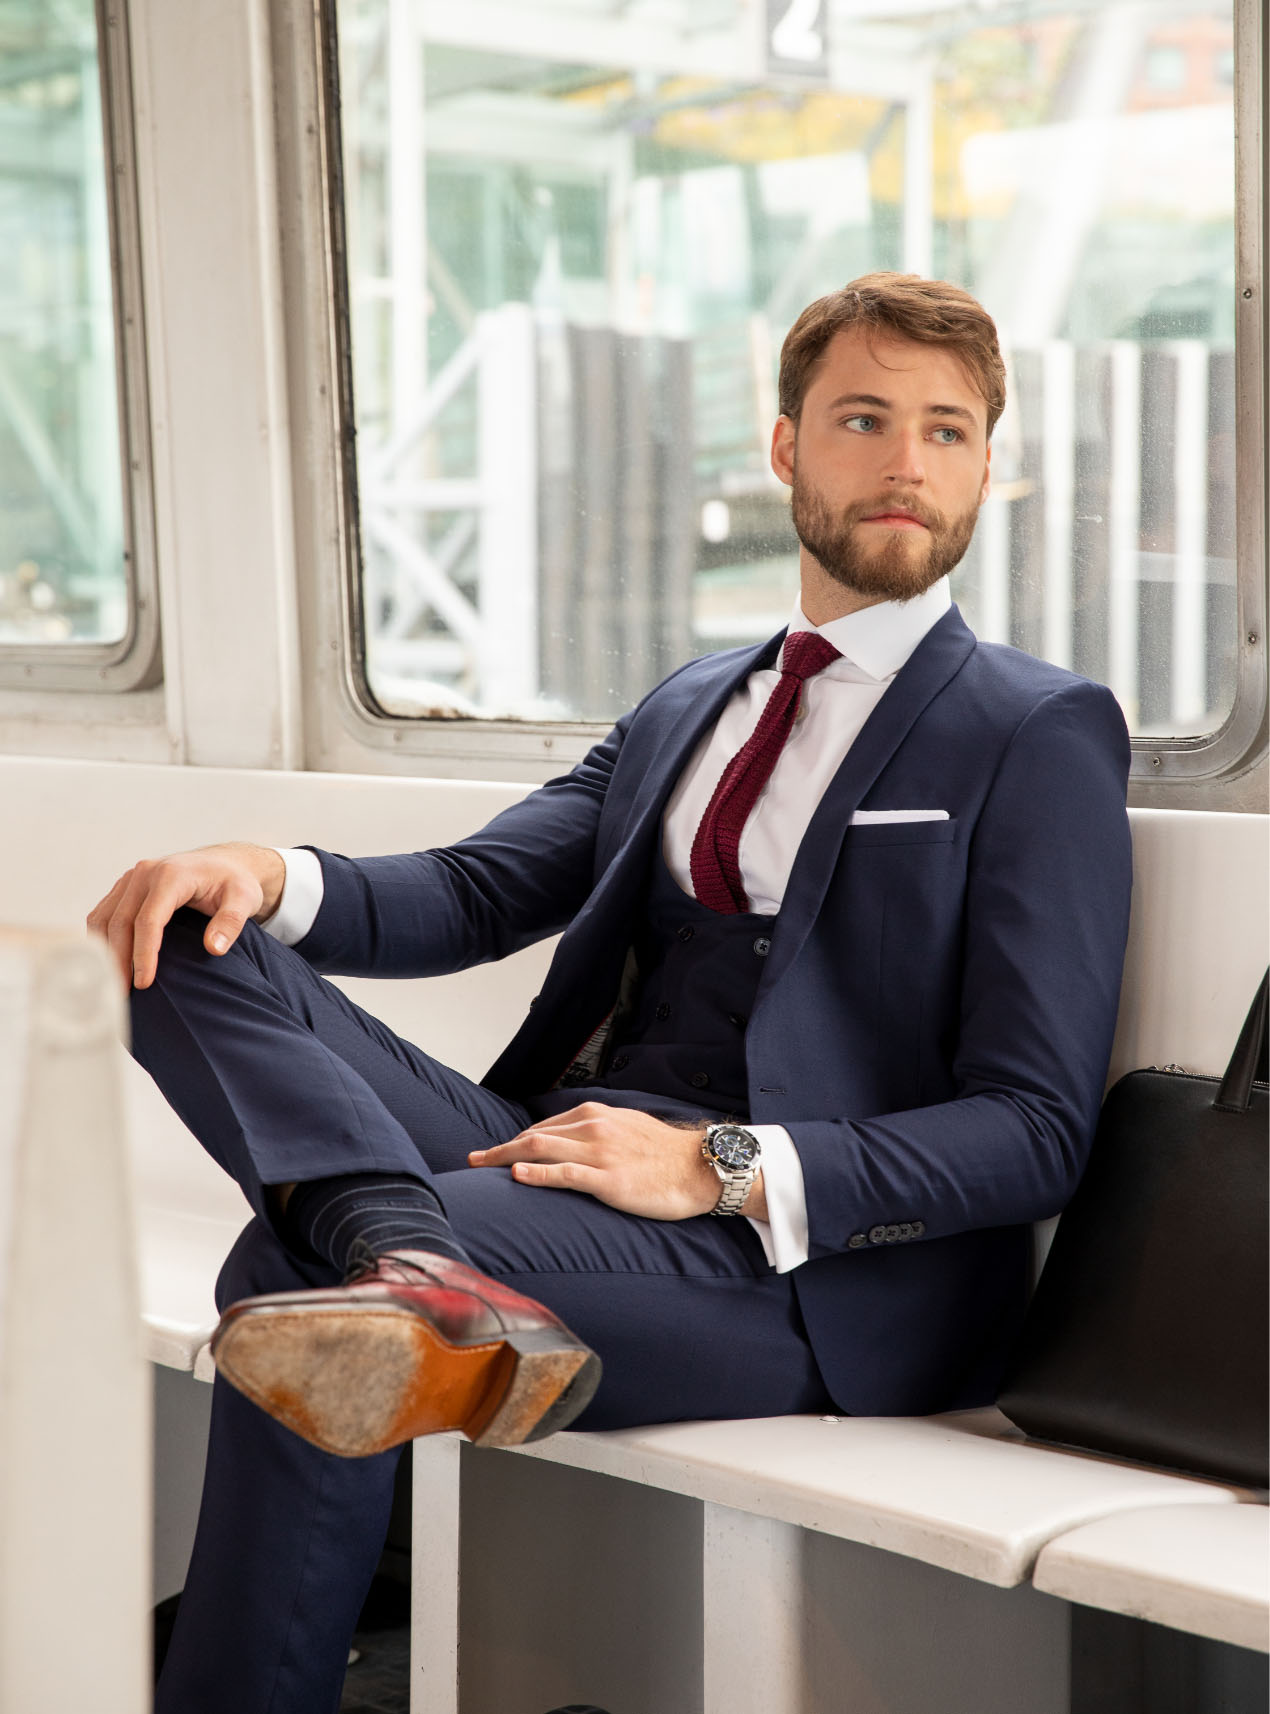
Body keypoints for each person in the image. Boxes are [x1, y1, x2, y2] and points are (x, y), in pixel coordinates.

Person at [89, 272, 1132, 1714]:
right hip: (564, 1153)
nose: (907, 461)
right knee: (179, 937)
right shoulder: (691, 700)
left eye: (948, 432)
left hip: (795, 1271)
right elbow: (471, 891)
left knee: (286, 1274)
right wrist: (268, 869)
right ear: (783, 450)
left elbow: (1031, 1129)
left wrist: (710, 1167)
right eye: (864, 418)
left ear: (985, 469)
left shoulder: (1035, 728)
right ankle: (409, 1258)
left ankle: (374, 1308)